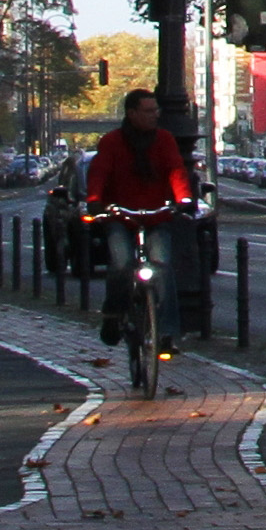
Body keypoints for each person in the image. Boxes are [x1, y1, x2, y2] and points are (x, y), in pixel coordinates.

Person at [79, 90, 202, 343]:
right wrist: (95, 200)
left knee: (163, 267)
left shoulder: (164, 140)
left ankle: (166, 331)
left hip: (156, 215)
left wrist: (184, 200)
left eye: (156, 110)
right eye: (148, 111)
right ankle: (114, 313)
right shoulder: (112, 142)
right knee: (122, 264)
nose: (154, 115)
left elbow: (176, 170)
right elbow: (99, 173)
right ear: (131, 113)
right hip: (121, 215)